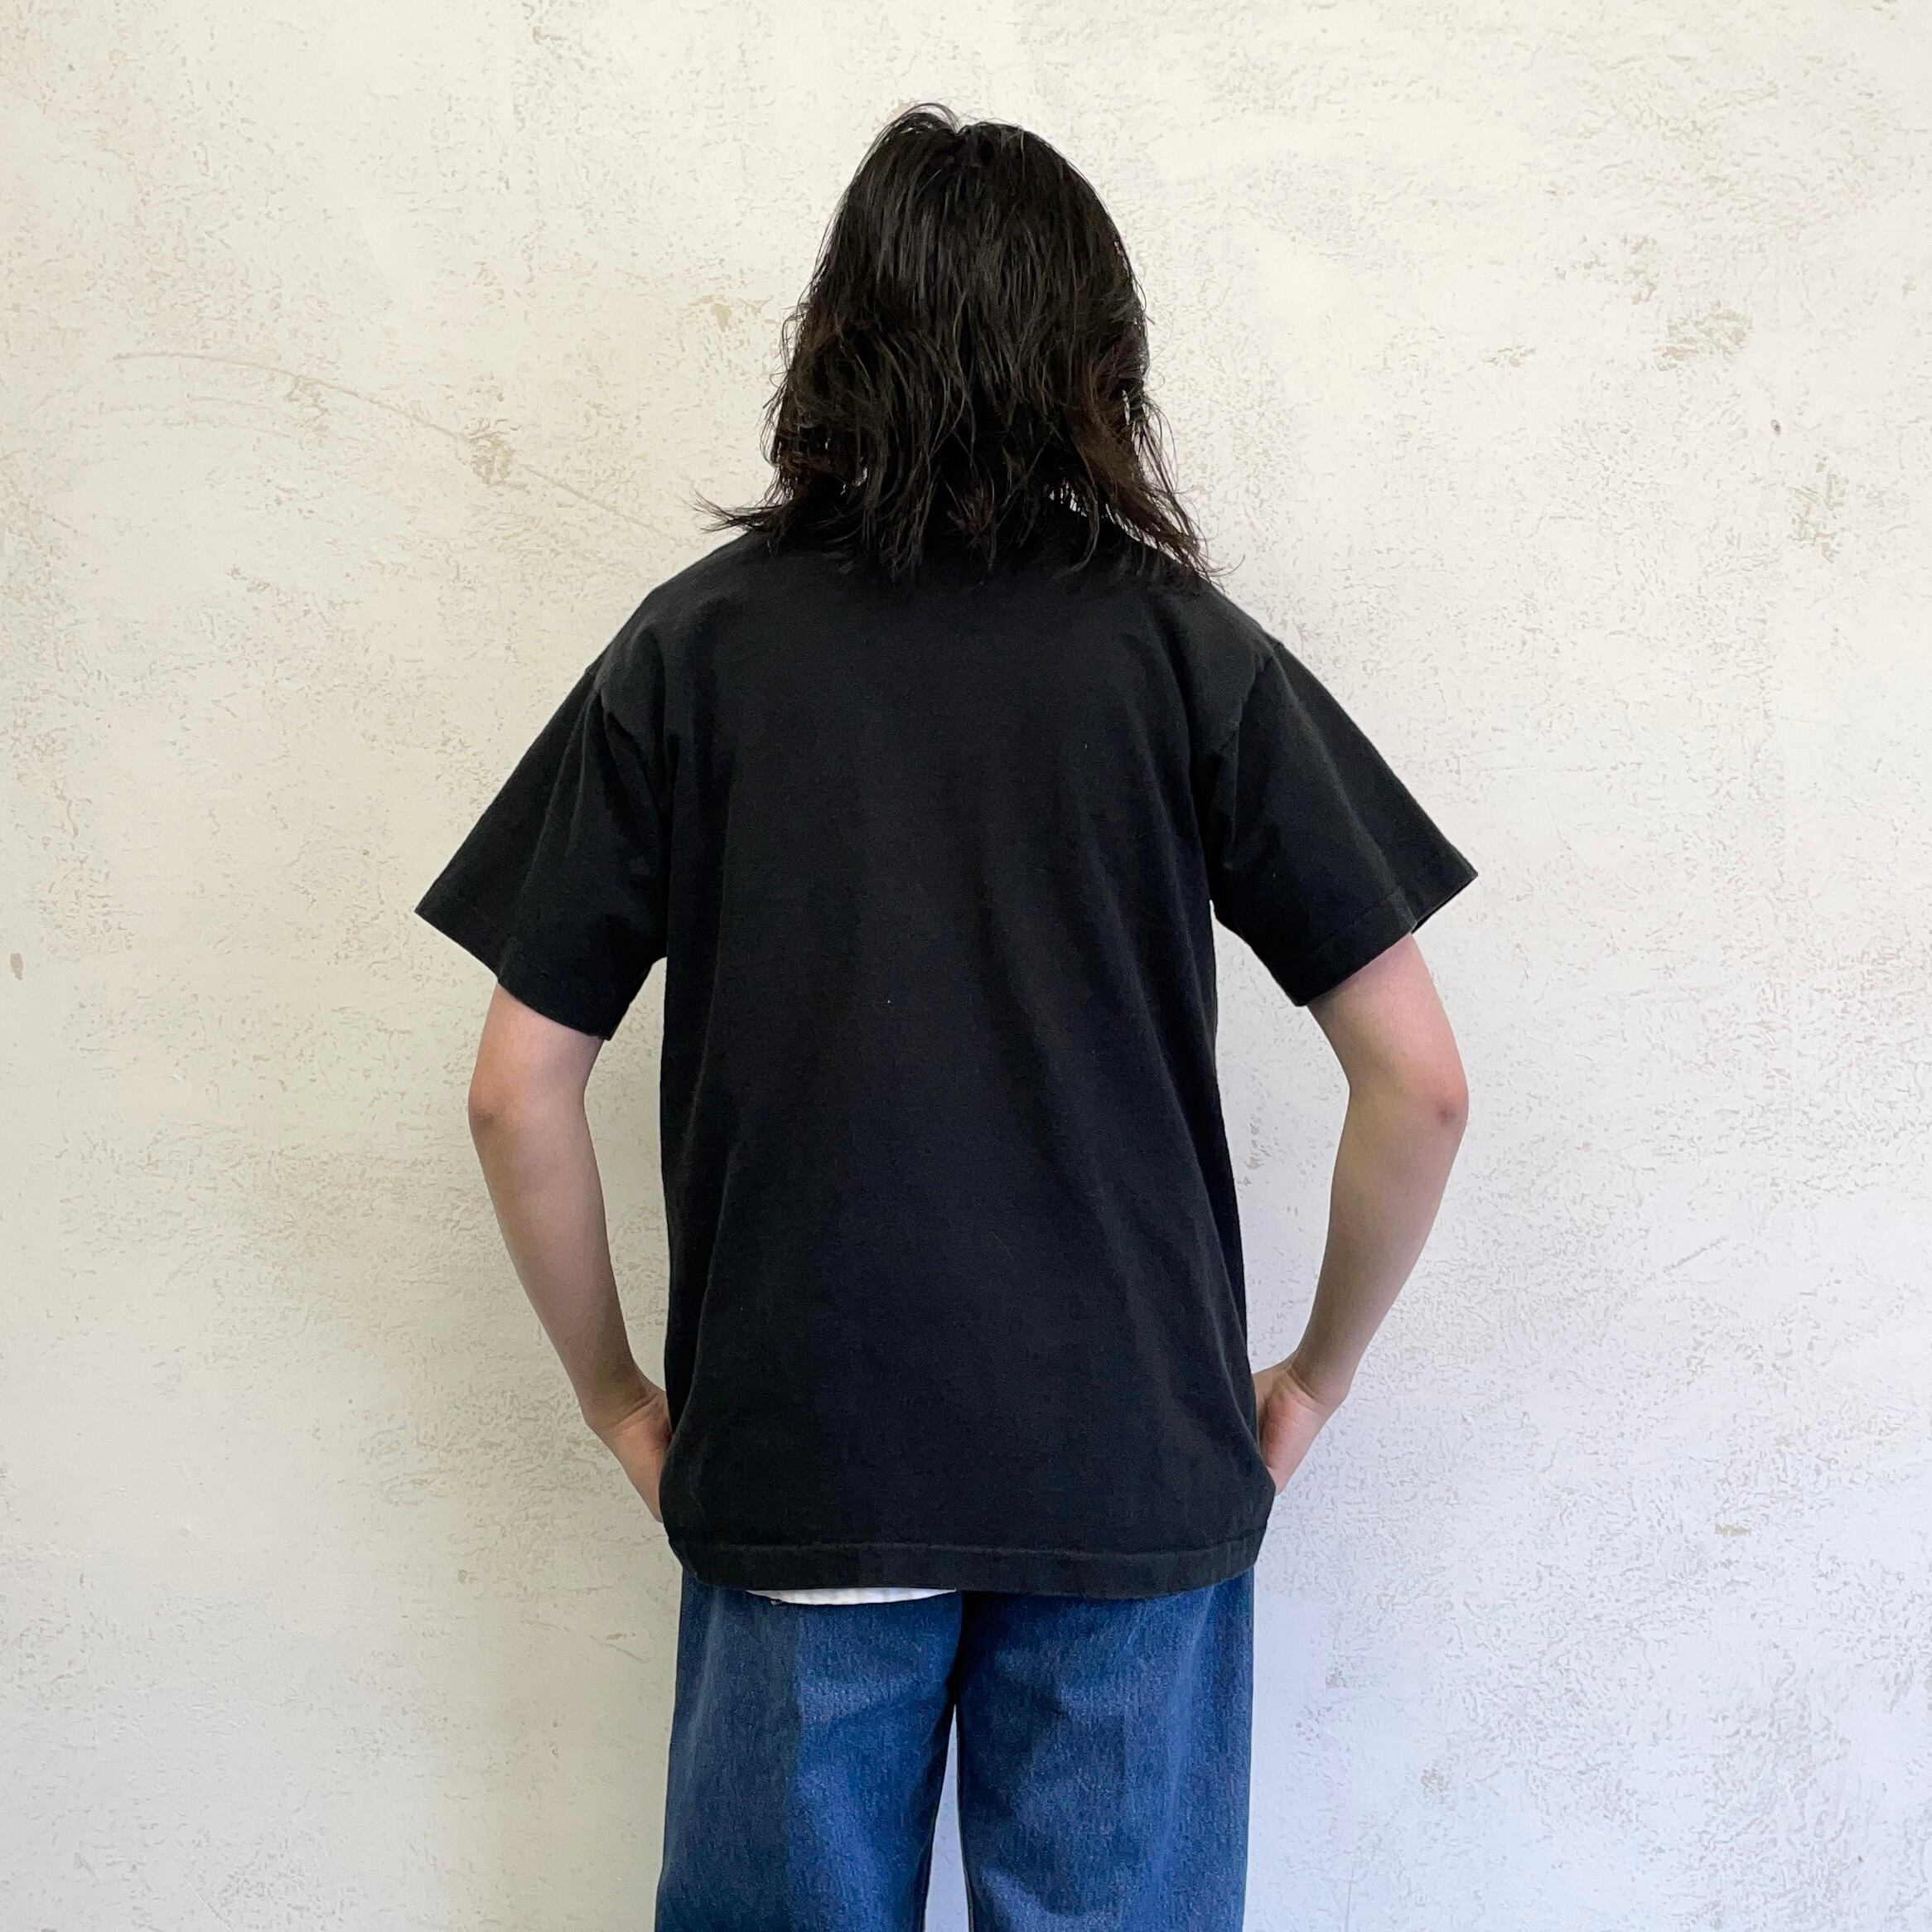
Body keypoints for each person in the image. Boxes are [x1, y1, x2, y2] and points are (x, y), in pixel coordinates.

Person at [417, 103, 1475, 1932]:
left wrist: (618, 1400)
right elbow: (1423, 1086)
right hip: (1128, 1469)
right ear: (1098, 359)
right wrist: (1309, 1380)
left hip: (806, 1453)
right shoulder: (1182, 655)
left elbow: (519, 1090)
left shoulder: (693, 651)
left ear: (835, 340)